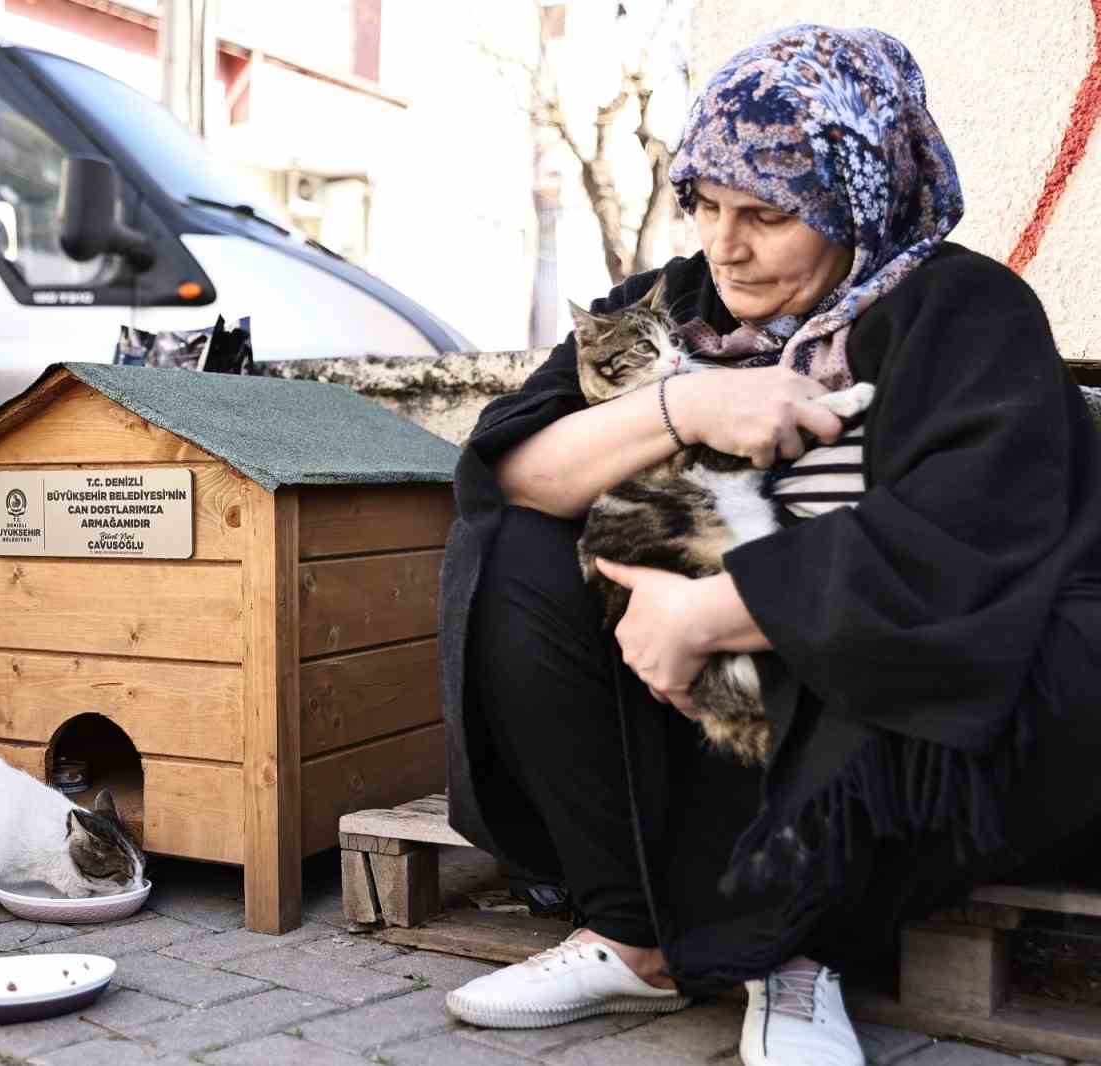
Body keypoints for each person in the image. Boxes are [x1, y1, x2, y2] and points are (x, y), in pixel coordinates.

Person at [439, 24, 1101, 1066]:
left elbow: (965, 545)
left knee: (938, 628)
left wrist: (702, 612)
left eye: (766, 214)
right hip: (703, 711)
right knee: (514, 552)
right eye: (704, 204)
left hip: (885, 714)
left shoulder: (965, 313)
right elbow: (514, 469)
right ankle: (629, 933)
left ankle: (800, 952)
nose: (722, 243)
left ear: (858, 201)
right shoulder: (669, 309)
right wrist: (687, 403)